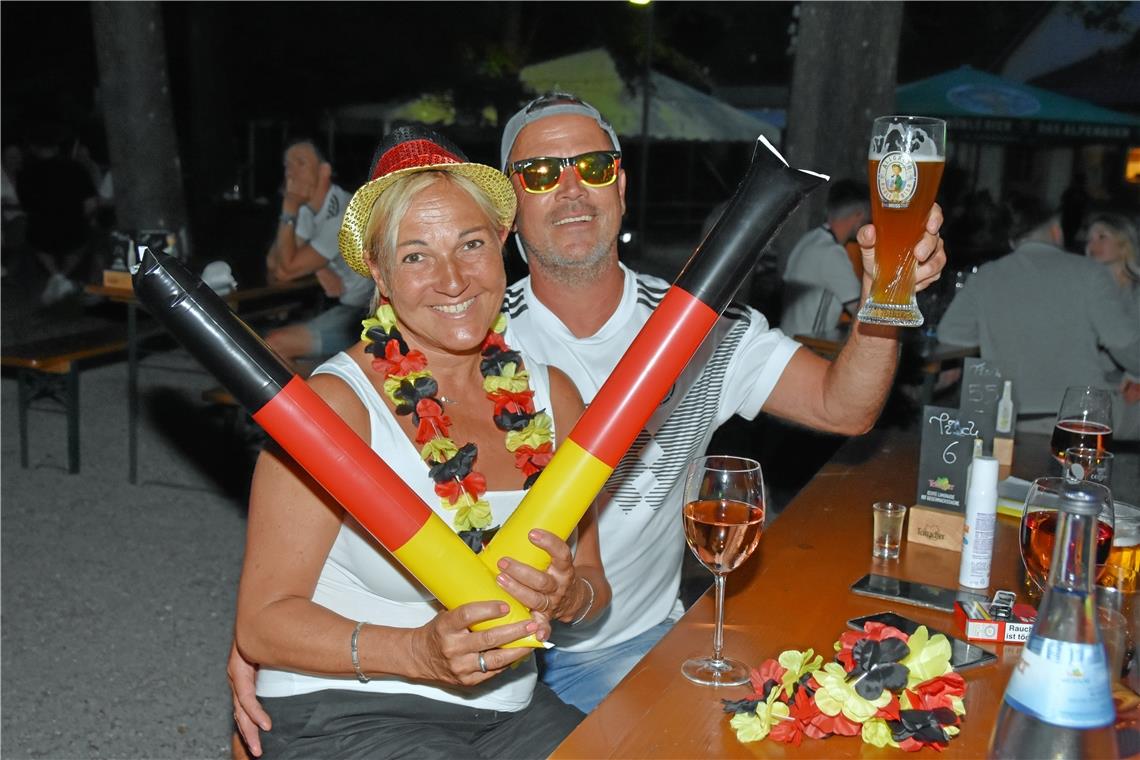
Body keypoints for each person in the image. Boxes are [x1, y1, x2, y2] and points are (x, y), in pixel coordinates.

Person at [232, 92, 947, 737]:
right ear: (512, 206)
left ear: (621, 184)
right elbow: (292, 574)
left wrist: (886, 299)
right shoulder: (463, 328)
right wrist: (259, 649)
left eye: (593, 167)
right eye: (541, 173)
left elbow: (844, 408)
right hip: (522, 675)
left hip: (633, 639)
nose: (570, 188)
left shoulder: (693, 325)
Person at [231, 127, 609, 758]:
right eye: (415, 256)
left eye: (471, 244)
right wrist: (416, 652)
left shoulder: (555, 397)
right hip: (348, 705)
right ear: (378, 273)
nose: (453, 280)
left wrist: (570, 595)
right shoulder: (334, 408)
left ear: (502, 246)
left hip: (510, 708)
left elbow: (595, 582)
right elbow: (262, 620)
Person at [938, 194, 1140, 438]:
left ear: (1014, 242)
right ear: (1057, 232)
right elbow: (1123, 343)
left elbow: (951, 333)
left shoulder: (986, 276)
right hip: (1082, 417)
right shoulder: (1090, 272)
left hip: (1010, 417)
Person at [263, 139, 373, 368]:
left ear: (324, 171)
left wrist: (288, 209)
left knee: (274, 346)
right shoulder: (308, 209)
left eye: (300, 163)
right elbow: (273, 262)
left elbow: (285, 270)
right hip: (347, 308)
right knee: (268, 347)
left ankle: (324, 396)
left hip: (370, 314)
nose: (290, 172)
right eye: (287, 165)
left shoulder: (343, 213)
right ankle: (324, 393)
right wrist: (319, 266)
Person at [779, 178, 869, 337]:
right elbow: (861, 312)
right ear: (858, 215)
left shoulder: (809, 239)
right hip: (806, 346)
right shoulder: (832, 253)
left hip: (786, 339)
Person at [17, 126, 96, 304]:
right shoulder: (75, 169)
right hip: (73, 230)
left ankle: (56, 276)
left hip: (40, 232)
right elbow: (90, 204)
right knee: (83, 240)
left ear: (34, 147)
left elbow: (25, 206)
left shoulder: (25, 174)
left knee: (37, 242)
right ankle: (63, 277)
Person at [1084, 211, 1140, 404]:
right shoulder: (1085, 288)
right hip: (1094, 385)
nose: (1093, 245)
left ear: (1124, 243)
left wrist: (1135, 378)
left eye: (1102, 237)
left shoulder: (1135, 291)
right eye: (1089, 239)